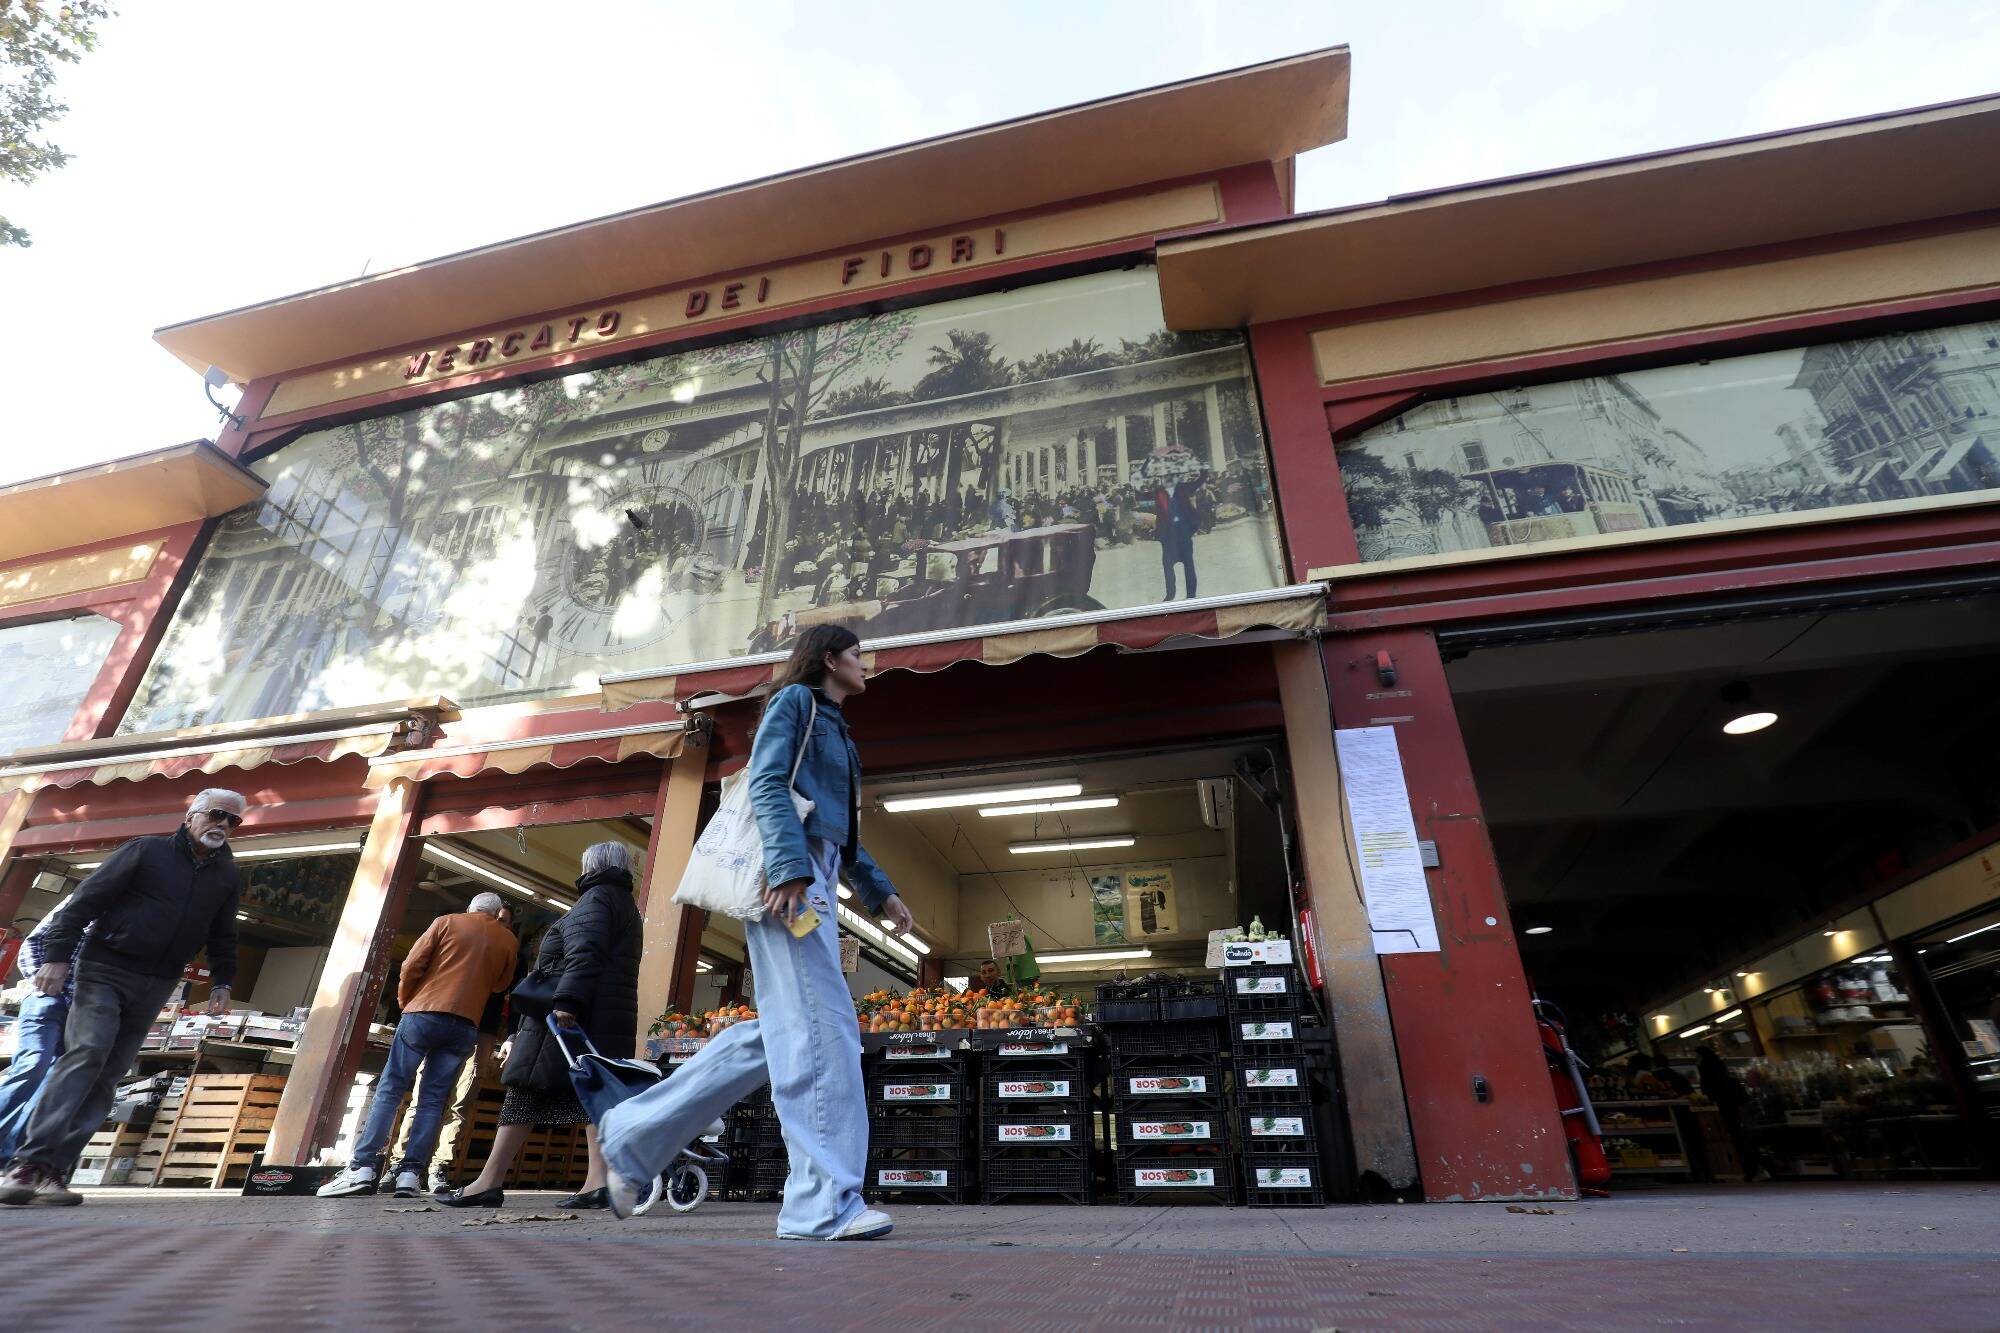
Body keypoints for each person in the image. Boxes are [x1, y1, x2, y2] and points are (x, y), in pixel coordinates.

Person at [599, 624, 915, 1239]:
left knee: (783, 1033)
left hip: (811, 875)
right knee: (822, 1032)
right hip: (789, 880)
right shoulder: (796, 703)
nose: (865, 663)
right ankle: (820, 1204)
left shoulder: (838, 729)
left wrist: (881, 892)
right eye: (856, 654)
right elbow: (768, 782)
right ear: (829, 658)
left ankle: (632, 1135)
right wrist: (790, 868)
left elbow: (840, 833)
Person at [0, 789, 244, 1207]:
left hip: (158, 981)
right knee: (87, 1053)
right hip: (104, 968)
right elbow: (83, 903)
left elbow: (223, 934)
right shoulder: (145, 851)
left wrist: (223, 981)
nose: (223, 825)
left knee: (111, 1070)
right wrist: (56, 959)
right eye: (217, 815)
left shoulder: (227, 875)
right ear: (192, 815)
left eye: (233, 821)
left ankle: (55, 1170)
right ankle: (27, 1163)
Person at [441, 843, 642, 1210]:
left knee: (524, 1093)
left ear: (591, 865)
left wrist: (567, 1001)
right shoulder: (623, 902)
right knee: (593, 1094)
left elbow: (585, 951)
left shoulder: (596, 898)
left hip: (567, 1016)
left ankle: (488, 1181)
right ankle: (597, 1182)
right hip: (604, 1016)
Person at [318, 892, 518, 1199]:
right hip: (465, 1024)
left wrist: (406, 1001)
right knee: (434, 1100)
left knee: (391, 1088)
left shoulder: (446, 922)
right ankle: (411, 1174)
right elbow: (500, 985)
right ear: (494, 914)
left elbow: (412, 964)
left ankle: (361, 1168)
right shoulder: (508, 941)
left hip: (423, 1013)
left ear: (470, 908)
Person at [0, 902, 88, 1160]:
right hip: (45, 999)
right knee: (33, 1064)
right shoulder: (86, 899)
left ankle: (11, 1153)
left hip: (82, 1009)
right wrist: (41, 979)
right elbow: (34, 942)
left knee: (53, 1079)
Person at [1153, 470, 1205, 600]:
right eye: (1164, 477)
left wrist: (1202, 470)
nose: (1167, 479)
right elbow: (1140, 495)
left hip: (1183, 533)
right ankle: (1170, 594)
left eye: (1169, 476)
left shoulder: (1182, 488)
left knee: (1189, 564)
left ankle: (1191, 594)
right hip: (1168, 535)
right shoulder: (1158, 492)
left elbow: (1199, 481)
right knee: (1167, 566)